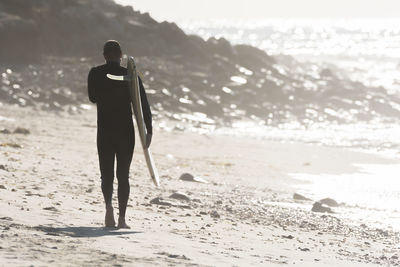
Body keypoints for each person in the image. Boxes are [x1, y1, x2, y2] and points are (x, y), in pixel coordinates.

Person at [88, 40, 152, 228]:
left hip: (105, 130)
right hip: (125, 132)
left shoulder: (95, 73)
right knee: (123, 176)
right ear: (121, 56)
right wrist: (149, 129)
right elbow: (143, 106)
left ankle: (109, 208)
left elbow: (92, 97)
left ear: (104, 55)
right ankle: (122, 219)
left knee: (106, 175)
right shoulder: (131, 76)